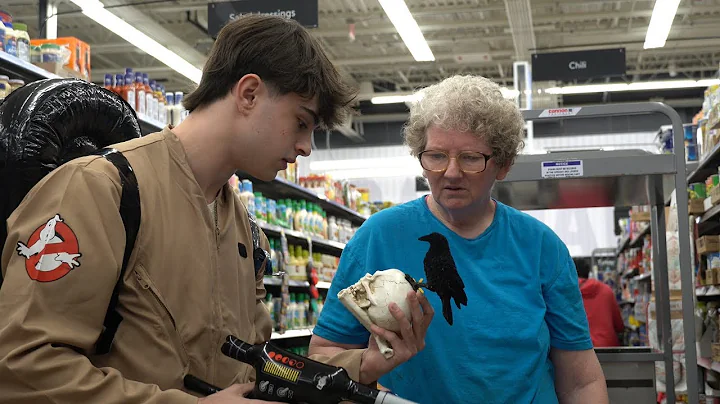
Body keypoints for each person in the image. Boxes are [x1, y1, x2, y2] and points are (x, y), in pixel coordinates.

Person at [0, 15, 432, 404]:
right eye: (302, 122)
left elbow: (254, 369)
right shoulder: (101, 190)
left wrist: (361, 368)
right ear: (248, 93)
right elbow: (22, 367)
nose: (306, 147)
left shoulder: (245, 229)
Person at [309, 75, 609, 404]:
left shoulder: (541, 248)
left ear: (503, 165)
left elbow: (581, 381)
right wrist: (367, 364)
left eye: (470, 158)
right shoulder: (378, 236)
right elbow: (323, 356)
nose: (451, 173)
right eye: (436, 156)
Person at [574, 258, 625, 347]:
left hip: (579, 349)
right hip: (608, 348)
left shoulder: (566, 294)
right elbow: (619, 326)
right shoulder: (606, 290)